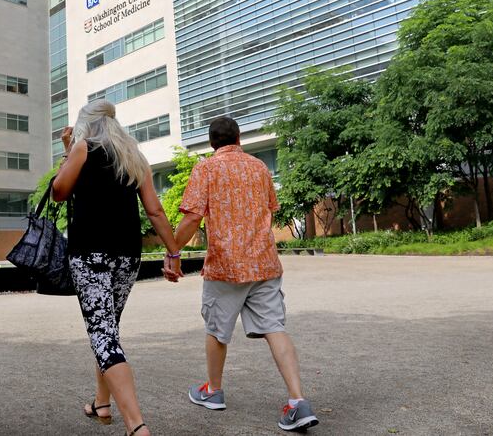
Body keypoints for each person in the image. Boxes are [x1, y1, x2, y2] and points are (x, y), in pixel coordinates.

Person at [164, 117, 319, 432]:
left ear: (212, 143)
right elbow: (270, 208)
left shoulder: (206, 168)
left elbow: (193, 217)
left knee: (217, 330)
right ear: (239, 138)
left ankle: (213, 390)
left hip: (226, 265)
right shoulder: (260, 168)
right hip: (264, 263)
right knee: (275, 328)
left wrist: (173, 252)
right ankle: (297, 401)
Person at [52, 100, 181, 436]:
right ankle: (101, 403)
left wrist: (68, 151)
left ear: (86, 124)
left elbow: (58, 191)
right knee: (108, 330)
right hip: (127, 255)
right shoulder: (134, 156)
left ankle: (137, 426)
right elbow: (155, 211)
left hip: (91, 254)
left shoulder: (83, 148)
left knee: (103, 334)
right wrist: (174, 251)